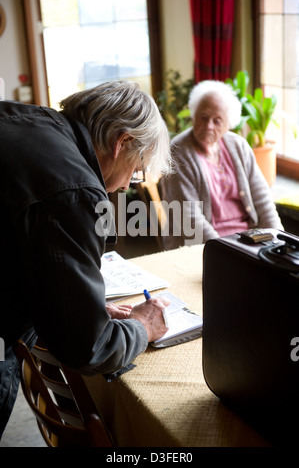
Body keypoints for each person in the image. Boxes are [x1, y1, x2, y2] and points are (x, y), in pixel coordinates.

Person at [0, 80, 172, 437]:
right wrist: (143, 326)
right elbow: (88, 347)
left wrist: (77, 305)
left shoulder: (27, 119)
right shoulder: (74, 189)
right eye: (136, 169)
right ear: (121, 142)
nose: (127, 186)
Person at [159, 80, 283, 250]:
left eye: (217, 121)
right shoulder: (179, 151)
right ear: (193, 115)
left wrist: (278, 239)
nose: (208, 126)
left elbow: (262, 199)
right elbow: (190, 220)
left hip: (248, 242)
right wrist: (226, 252)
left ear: (228, 125)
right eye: (203, 118)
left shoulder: (238, 146)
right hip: (202, 247)